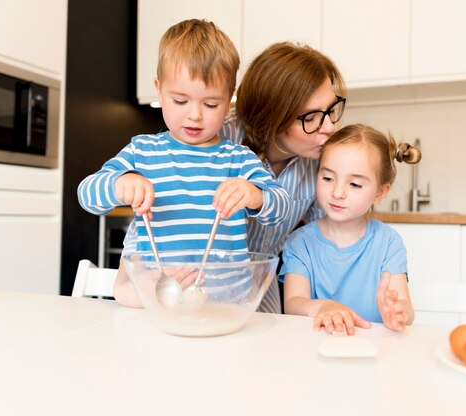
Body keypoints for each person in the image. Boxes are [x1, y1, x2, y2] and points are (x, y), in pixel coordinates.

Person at [121, 41, 347, 313]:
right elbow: (154, 212)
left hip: (258, 293)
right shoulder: (212, 138)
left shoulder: (319, 164)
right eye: (312, 117)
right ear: (273, 116)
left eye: (331, 111)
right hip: (187, 287)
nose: (330, 127)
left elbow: (324, 240)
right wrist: (128, 281)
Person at [77, 19, 289, 307]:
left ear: (229, 103)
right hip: (161, 300)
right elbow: (87, 195)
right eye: (180, 101)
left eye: (211, 104)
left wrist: (255, 196)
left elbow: (281, 210)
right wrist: (118, 184)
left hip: (226, 305)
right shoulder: (142, 150)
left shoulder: (238, 158)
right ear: (159, 90)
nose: (195, 116)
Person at [280, 124, 421, 334]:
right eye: (327, 178)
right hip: (316, 348)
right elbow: (292, 304)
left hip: (374, 349)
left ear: (380, 193)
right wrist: (322, 306)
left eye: (354, 184)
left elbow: (405, 306)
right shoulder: (300, 242)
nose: (337, 192)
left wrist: (398, 312)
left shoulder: (388, 243)